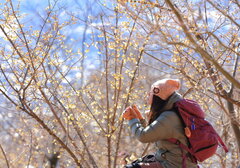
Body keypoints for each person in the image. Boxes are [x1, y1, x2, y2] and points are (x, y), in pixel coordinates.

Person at [122, 79, 198, 168]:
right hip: (170, 161)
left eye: (150, 92)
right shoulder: (170, 113)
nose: (148, 95)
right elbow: (153, 134)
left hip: (175, 165)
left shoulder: (169, 117)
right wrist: (140, 119)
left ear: (158, 95)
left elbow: (143, 136)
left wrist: (132, 118)